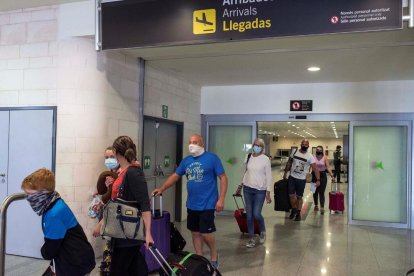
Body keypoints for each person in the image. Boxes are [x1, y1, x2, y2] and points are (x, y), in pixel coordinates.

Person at [152, 134, 228, 269]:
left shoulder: (212, 158)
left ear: (202, 144)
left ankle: (213, 254)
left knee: (205, 233)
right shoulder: (186, 161)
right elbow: (176, 176)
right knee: (195, 232)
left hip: (208, 203)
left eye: (195, 142)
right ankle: (200, 257)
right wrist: (162, 188)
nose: (191, 145)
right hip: (192, 203)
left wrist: (221, 199)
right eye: (190, 142)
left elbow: (223, 178)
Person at [93, 136, 154, 276]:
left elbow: (144, 204)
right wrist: (102, 223)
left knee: (119, 270)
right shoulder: (123, 172)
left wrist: (148, 233)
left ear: (115, 151)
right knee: (135, 268)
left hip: (128, 233)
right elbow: (116, 203)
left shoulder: (133, 172)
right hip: (121, 231)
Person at [21, 168, 95, 276]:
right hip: (75, 256)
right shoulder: (54, 201)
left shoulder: (54, 214)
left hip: (75, 263)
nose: (28, 199)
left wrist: (43, 251)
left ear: (43, 194)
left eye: (30, 195)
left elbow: (49, 251)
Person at [242, 138, 272, 248]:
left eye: (259, 145)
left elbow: (269, 176)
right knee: (249, 215)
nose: (257, 146)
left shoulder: (265, 159)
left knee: (256, 213)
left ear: (262, 148)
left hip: (260, 190)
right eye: (255, 144)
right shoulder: (248, 156)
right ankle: (251, 238)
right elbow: (245, 172)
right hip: (247, 189)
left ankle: (262, 231)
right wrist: (241, 184)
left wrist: (268, 193)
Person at [283, 139, 320, 221]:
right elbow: (289, 162)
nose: (304, 145)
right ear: (300, 144)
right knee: (291, 196)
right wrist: (285, 173)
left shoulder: (310, 156)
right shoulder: (294, 152)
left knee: (299, 197)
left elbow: (315, 168)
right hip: (292, 177)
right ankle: (294, 210)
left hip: (302, 179)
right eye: (303, 144)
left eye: (306, 144)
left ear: (308, 146)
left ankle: (298, 213)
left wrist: (318, 179)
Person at [312, 146, 335, 215]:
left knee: (321, 192)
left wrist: (332, 175)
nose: (318, 151)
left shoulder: (325, 158)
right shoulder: (313, 157)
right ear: (316, 150)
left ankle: (322, 207)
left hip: (322, 176)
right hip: (314, 175)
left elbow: (328, 167)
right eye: (317, 149)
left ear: (322, 150)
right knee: (314, 191)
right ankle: (316, 205)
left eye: (320, 150)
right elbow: (310, 166)